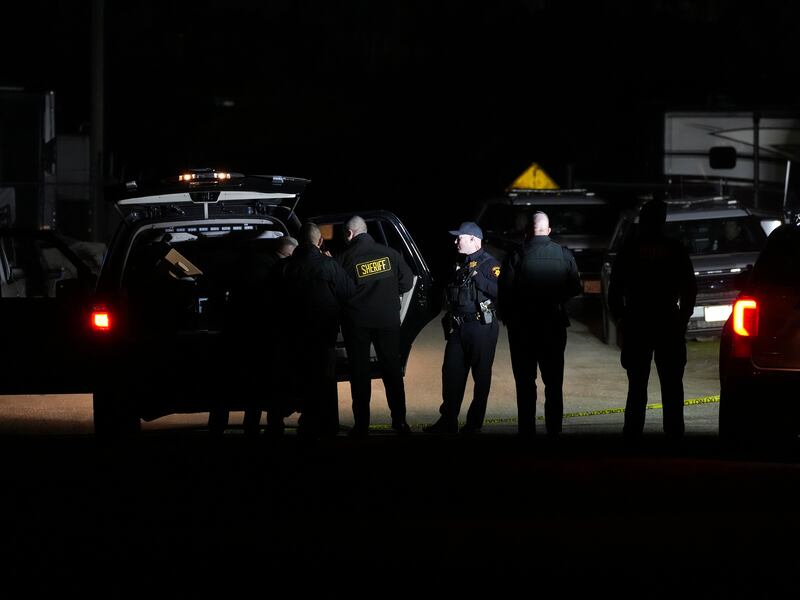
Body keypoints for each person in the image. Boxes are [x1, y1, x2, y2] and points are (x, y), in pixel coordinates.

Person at [608, 198, 697, 440]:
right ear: (662, 221)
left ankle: (633, 434)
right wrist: (682, 318)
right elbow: (689, 288)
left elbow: (615, 289)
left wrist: (621, 318)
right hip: (667, 320)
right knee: (672, 385)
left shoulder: (629, 249)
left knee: (637, 385)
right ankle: (674, 434)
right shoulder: (675, 248)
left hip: (638, 321)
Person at [268, 222, 356, 443]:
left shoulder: (282, 267)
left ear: (299, 241)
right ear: (320, 241)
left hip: (290, 338)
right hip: (322, 337)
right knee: (322, 383)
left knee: (287, 381)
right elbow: (349, 293)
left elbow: (270, 300)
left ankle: (276, 426)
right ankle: (321, 426)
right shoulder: (330, 266)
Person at [497, 211, 582, 438]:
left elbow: (504, 292)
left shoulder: (516, 255)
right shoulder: (564, 254)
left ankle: (527, 430)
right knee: (554, 382)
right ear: (549, 230)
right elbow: (575, 287)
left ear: (527, 231)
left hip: (523, 328)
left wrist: (509, 318)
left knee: (525, 383)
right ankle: (554, 428)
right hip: (553, 326)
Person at [336, 215, 414, 438]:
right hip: (387, 321)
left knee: (359, 373)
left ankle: (361, 426)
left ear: (349, 233)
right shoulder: (390, 253)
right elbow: (407, 282)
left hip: (357, 323)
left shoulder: (343, 258)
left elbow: (339, 291)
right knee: (392, 370)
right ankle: (400, 422)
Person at [423, 221, 501, 435]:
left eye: (460, 238)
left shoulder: (490, 264)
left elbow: (502, 291)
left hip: (481, 326)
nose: (455, 241)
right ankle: (448, 420)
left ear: (474, 240)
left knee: (481, 377)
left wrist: (478, 278)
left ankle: (474, 423)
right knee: (451, 373)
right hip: (458, 327)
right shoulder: (459, 262)